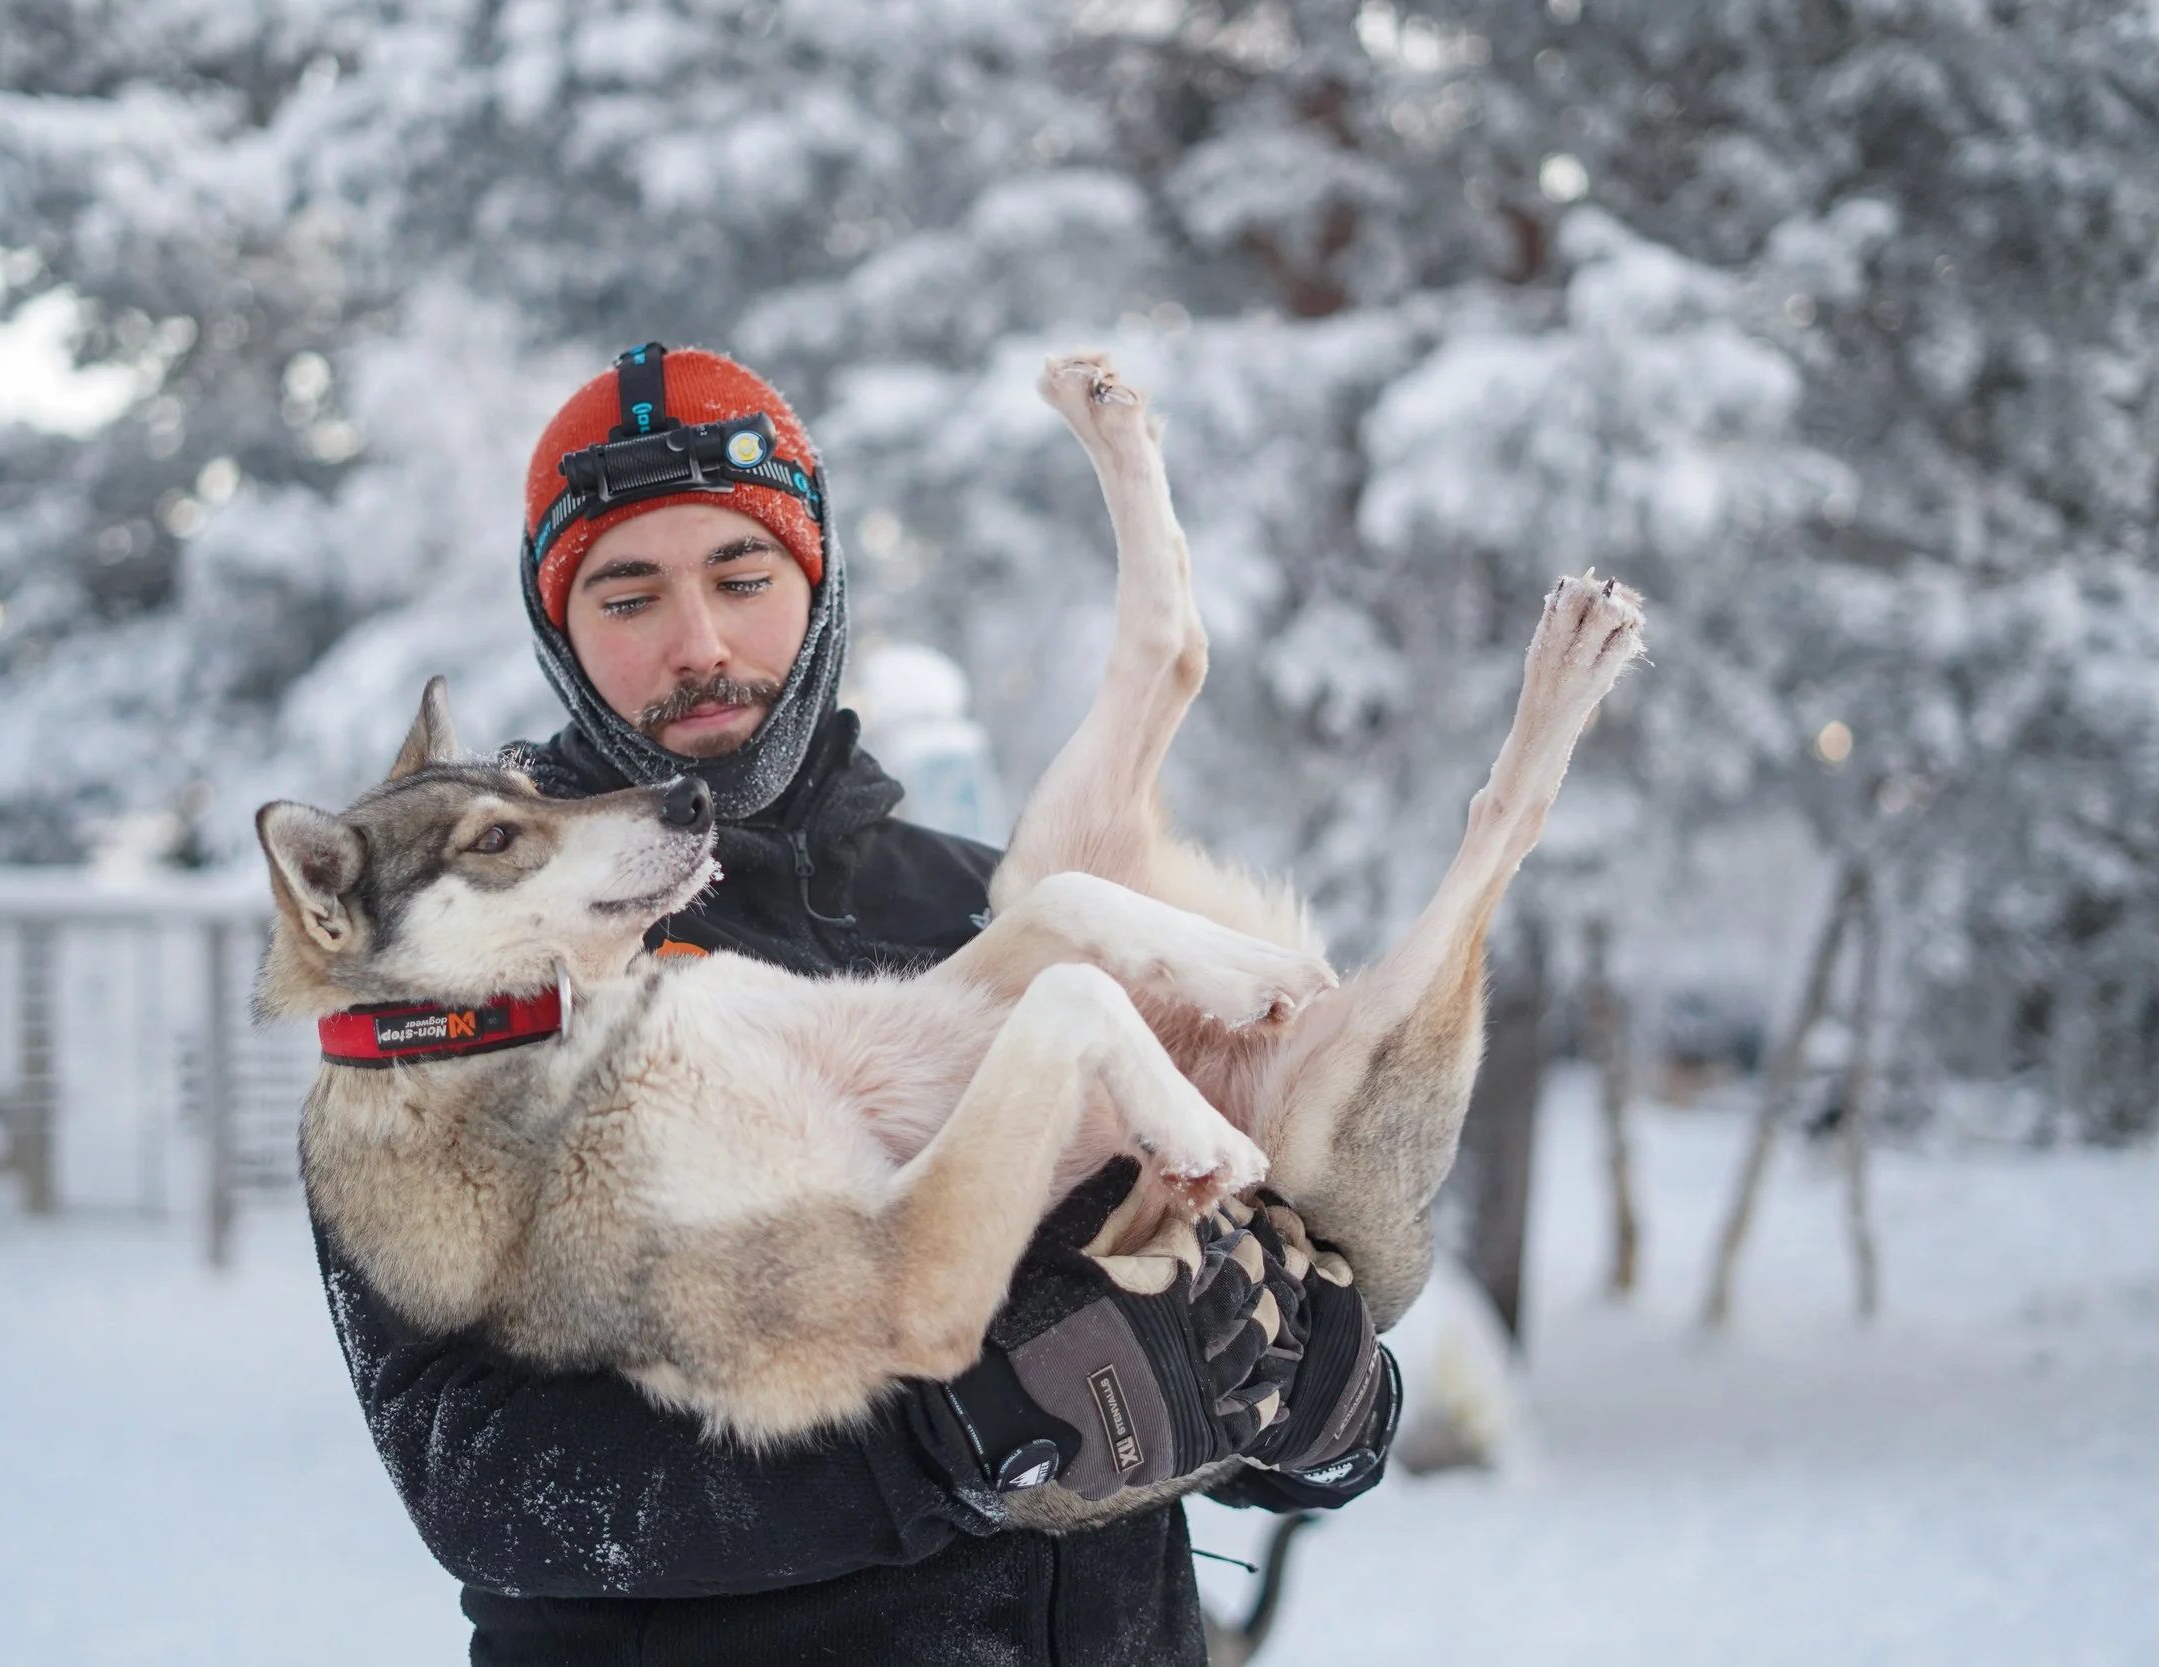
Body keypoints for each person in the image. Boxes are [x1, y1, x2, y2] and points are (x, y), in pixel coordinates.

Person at [310, 344, 1401, 1666]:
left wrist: (1318, 1407)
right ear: (561, 630)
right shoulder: (467, 989)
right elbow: (486, 1477)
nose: (698, 643)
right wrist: (955, 1437)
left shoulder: (980, 907)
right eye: (629, 593)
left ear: (819, 582)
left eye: (742, 575)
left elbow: (1205, 1288)